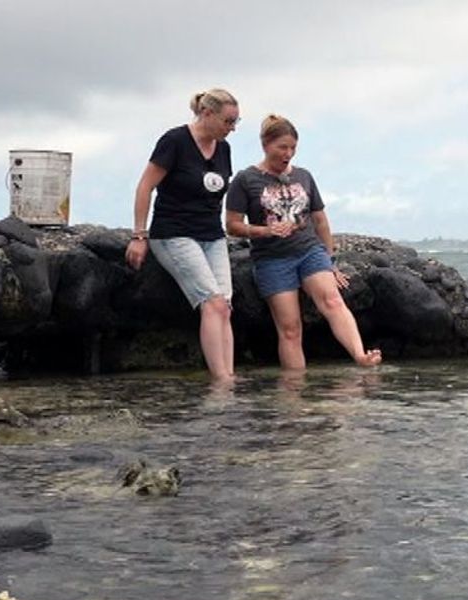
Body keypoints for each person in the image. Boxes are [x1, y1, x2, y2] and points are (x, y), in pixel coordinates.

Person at [225, 114, 381, 370]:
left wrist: (330, 260)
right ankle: (294, 397)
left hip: (309, 252)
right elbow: (231, 225)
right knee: (290, 329)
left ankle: (360, 356)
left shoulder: (304, 176)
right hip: (272, 259)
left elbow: (320, 221)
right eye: (282, 147)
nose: (288, 154)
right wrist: (266, 231)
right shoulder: (245, 179)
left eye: (293, 148)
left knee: (332, 301)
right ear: (265, 145)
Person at [127, 88, 239, 382]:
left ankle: (229, 375)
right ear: (207, 113)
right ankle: (221, 381)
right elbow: (144, 187)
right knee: (212, 302)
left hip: (211, 235)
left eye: (235, 122)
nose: (232, 128)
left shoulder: (224, 149)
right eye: (228, 121)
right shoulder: (174, 141)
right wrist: (139, 236)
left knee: (225, 306)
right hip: (173, 233)